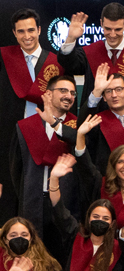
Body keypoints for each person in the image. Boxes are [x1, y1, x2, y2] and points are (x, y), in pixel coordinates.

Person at [0, 9, 65, 220]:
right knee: (11, 196)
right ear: (14, 33)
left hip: (45, 136)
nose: (26, 36)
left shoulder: (56, 63)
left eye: (30, 30)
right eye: (21, 32)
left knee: (41, 196)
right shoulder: (4, 59)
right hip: (11, 137)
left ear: (39, 30)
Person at [12, 76, 79, 235]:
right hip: (32, 200)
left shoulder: (79, 128)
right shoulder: (25, 127)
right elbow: (16, 169)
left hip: (66, 204)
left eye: (72, 93)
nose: (68, 96)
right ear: (48, 94)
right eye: (63, 90)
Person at [59, 4, 124, 111]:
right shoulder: (90, 52)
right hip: (95, 122)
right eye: (108, 29)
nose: (112, 34)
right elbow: (69, 65)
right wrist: (71, 38)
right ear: (101, 23)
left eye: (117, 29)